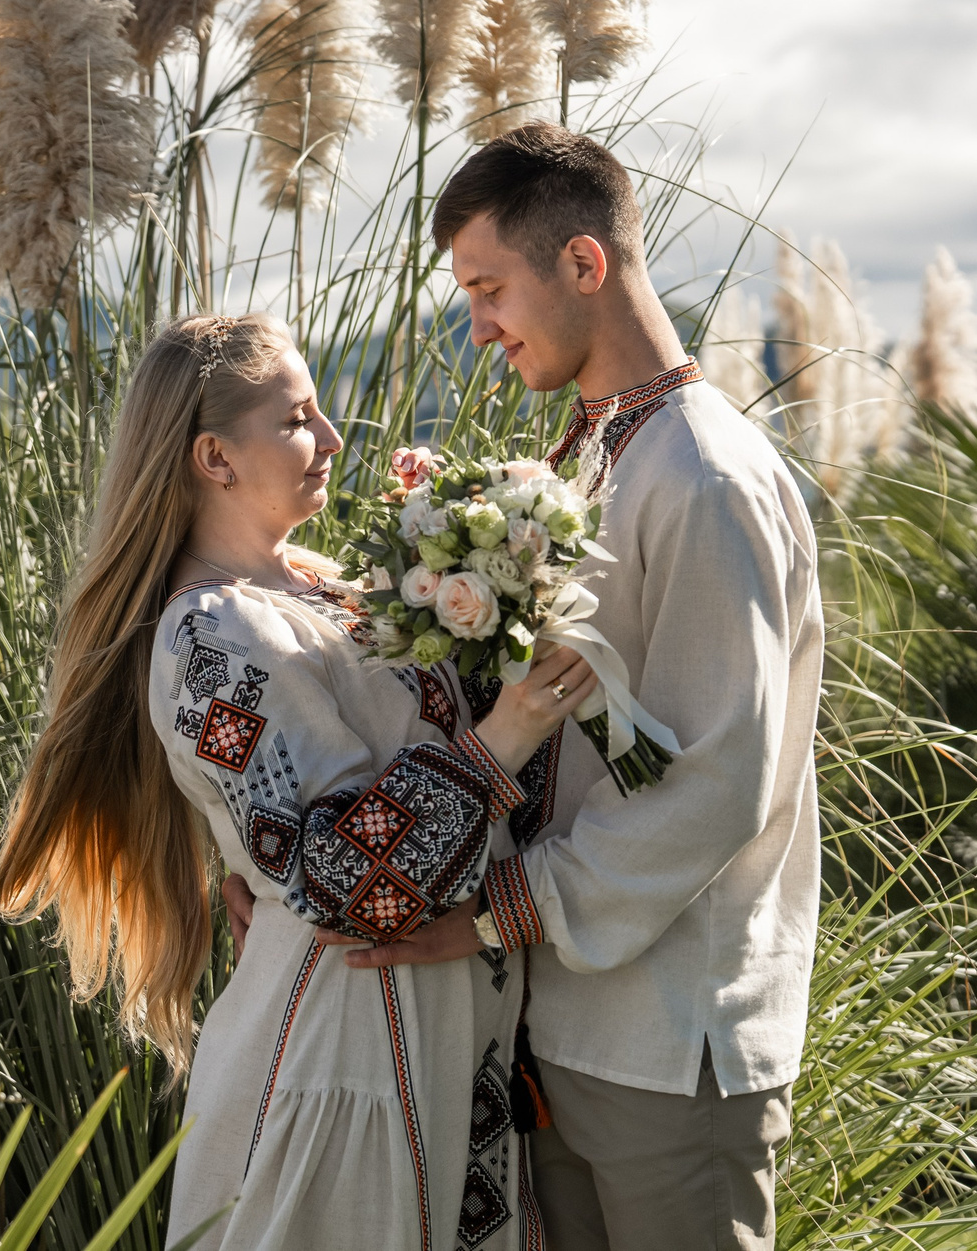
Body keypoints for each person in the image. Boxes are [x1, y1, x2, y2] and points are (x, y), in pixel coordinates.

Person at [234, 122, 825, 1250]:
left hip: (674, 1036)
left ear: (584, 265)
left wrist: (497, 914)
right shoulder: (595, 453)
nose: (480, 326)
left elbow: (720, 778)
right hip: (568, 1018)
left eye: (490, 288)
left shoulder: (700, 473)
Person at [0, 313, 602, 1251]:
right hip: (346, 1048)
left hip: (441, 1042)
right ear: (214, 457)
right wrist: (505, 735)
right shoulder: (208, 640)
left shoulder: (324, 588)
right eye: (297, 419)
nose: (332, 438)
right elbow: (345, 886)